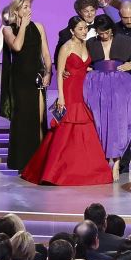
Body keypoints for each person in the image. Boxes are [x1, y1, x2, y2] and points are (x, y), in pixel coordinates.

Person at [21, 17, 112, 187]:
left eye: (85, 28)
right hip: (69, 93)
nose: (84, 31)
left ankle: (86, 170)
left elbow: (85, 67)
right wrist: (61, 97)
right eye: (80, 29)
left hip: (83, 92)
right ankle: (54, 172)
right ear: (72, 31)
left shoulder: (87, 45)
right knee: (64, 131)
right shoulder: (66, 47)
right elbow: (60, 72)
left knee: (84, 131)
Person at [85, 14, 131, 179]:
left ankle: (117, 162)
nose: (103, 36)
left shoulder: (121, 40)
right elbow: (83, 59)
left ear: (111, 30)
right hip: (97, 84)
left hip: (119, 84)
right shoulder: (91, 43)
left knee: (118, 123)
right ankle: (105, 161)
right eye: (100, 33)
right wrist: (88, 68)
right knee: (101, 123)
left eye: (106, 32)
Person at [0, 0, 50, 171]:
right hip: (20, 81)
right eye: (24, 7)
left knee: (39, 118)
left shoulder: (39, 27)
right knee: (22, 120)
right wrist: (22, 26)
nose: (28, 10)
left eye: (29, 6)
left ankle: (41, 160)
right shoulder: (7, 30)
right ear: (16, 11)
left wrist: (48, 72)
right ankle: (23, 162)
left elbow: (45, 53)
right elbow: (17, 46)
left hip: (36, 78)